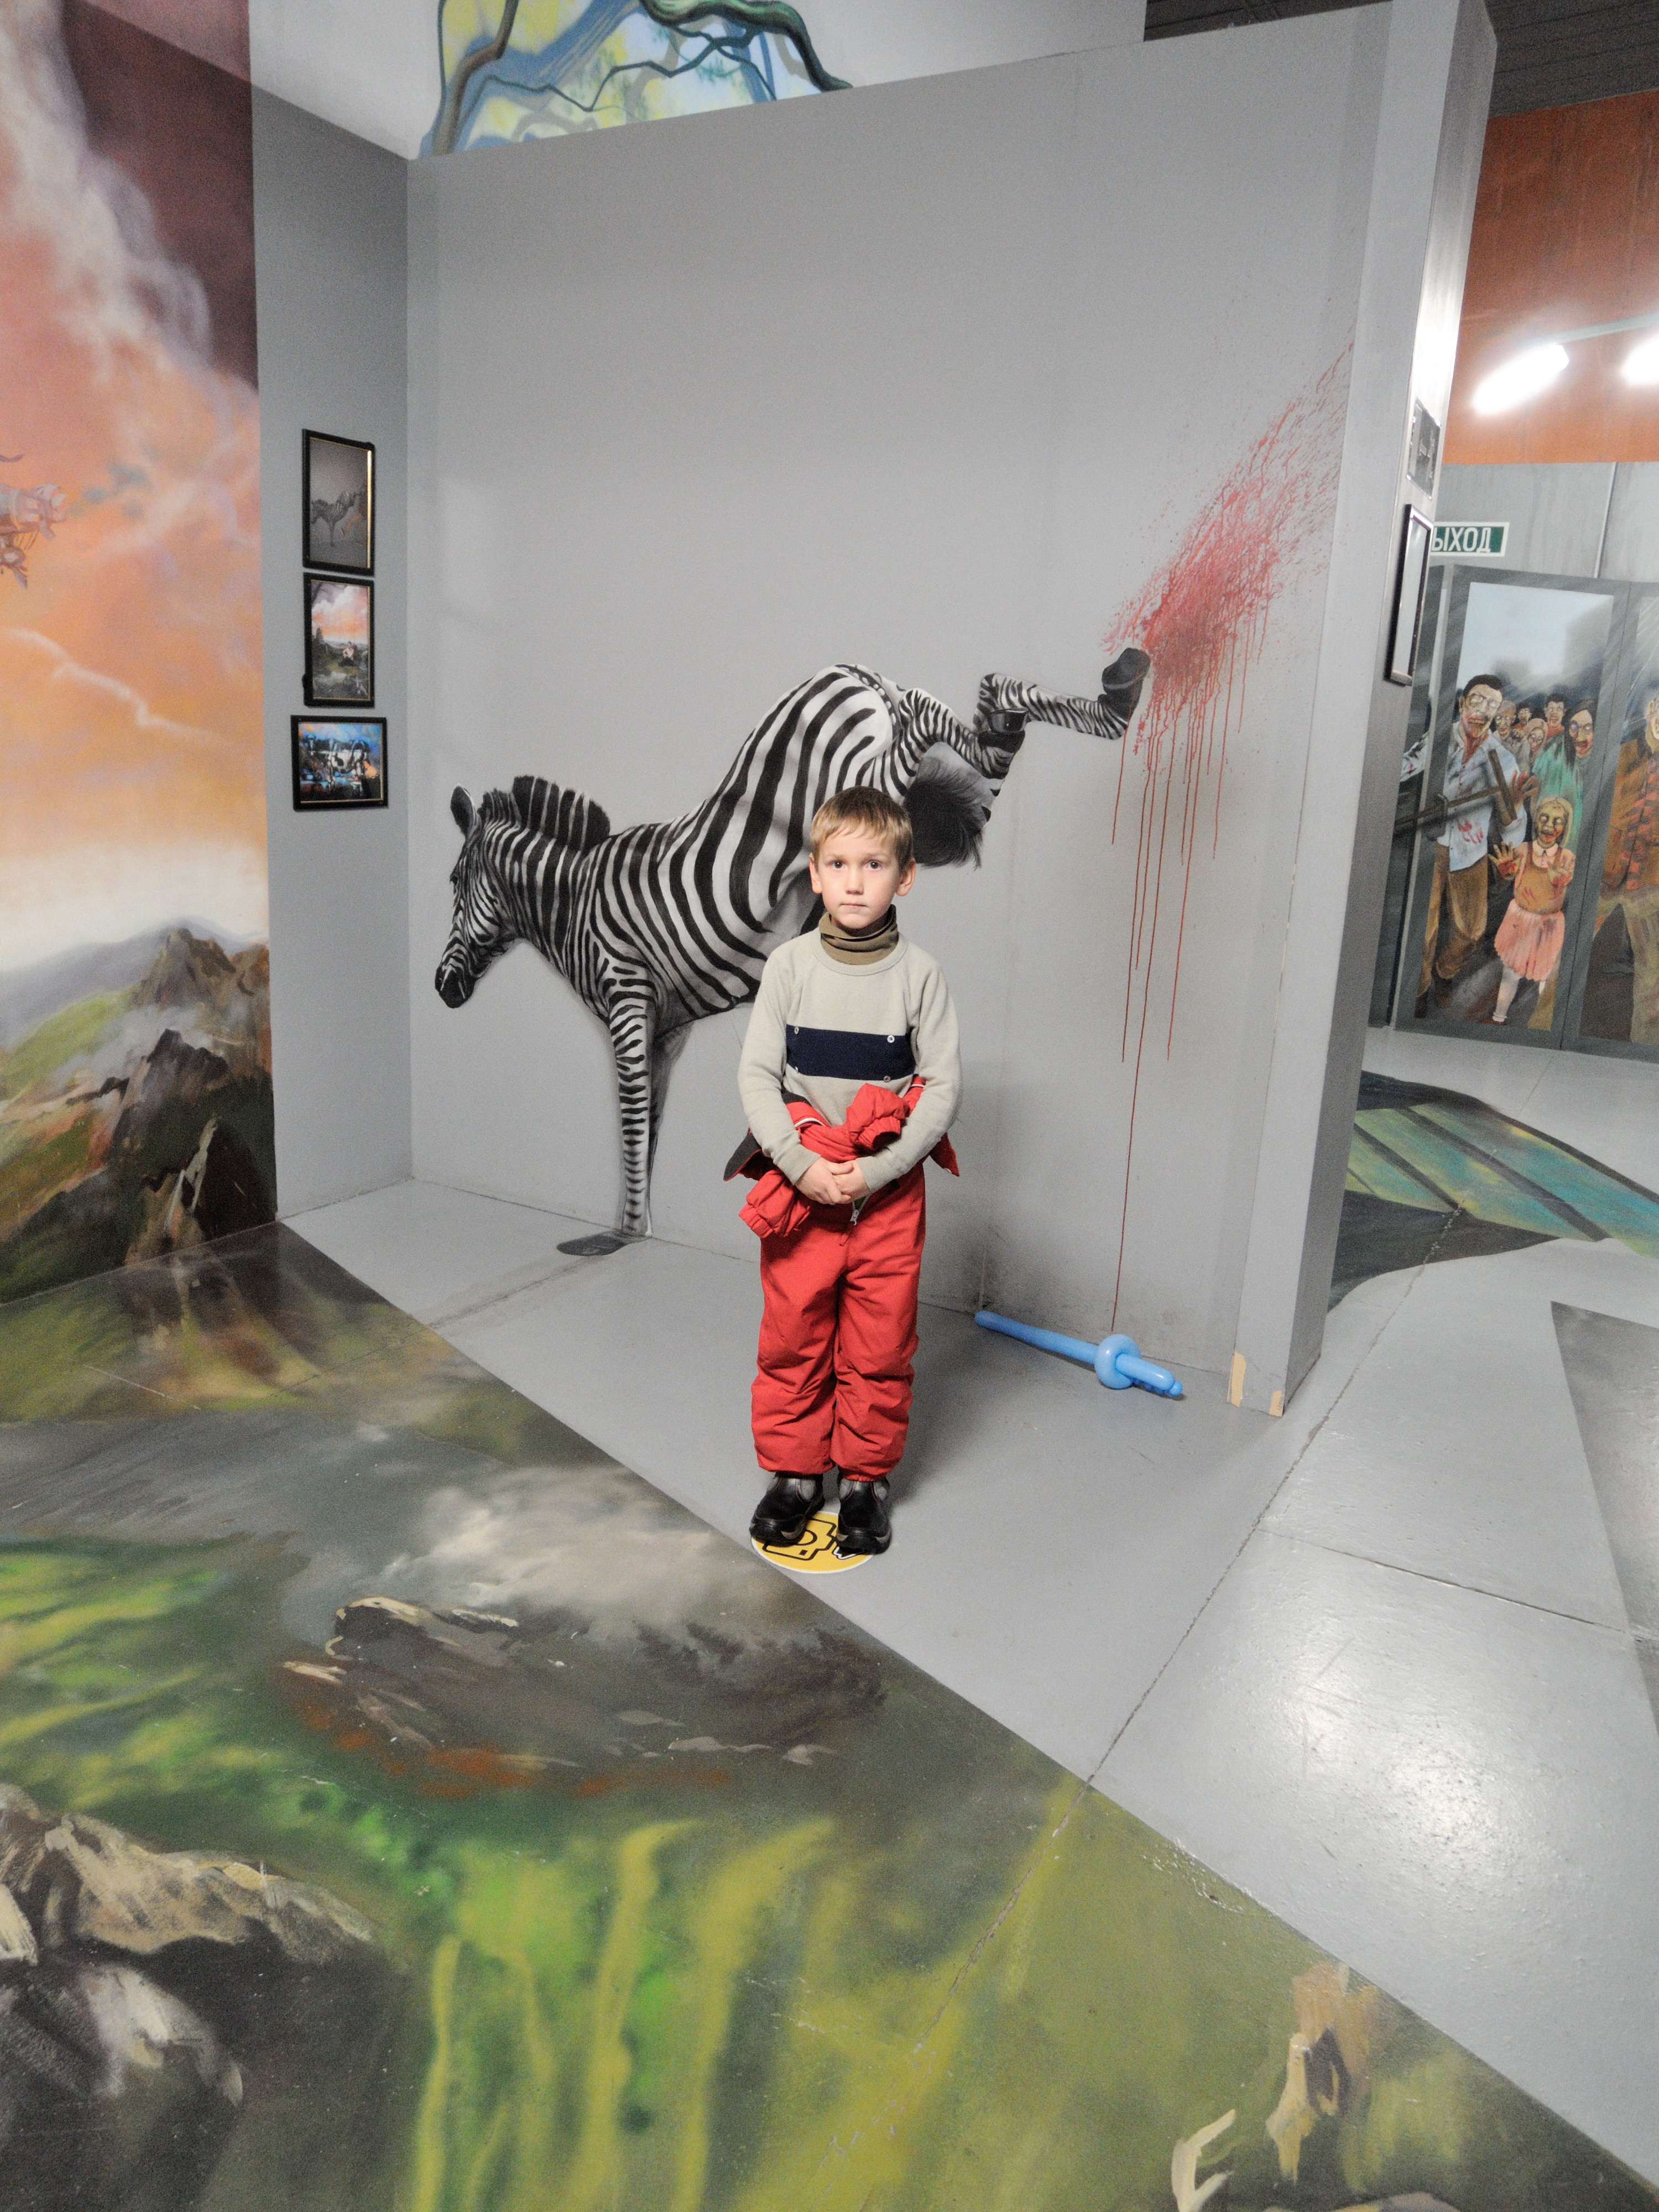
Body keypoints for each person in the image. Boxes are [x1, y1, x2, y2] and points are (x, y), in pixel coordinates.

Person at [735, 787, 961, 1558]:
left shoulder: (920, 976)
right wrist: (800, 1165)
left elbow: (941, 1087)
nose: (855, 882)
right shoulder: (789, 967)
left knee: (879, 1342)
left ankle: (865, 1479)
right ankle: (797, 1474)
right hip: (803, 1191)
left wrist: (881, 1170)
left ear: (906, 876)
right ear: (815, 873)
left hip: (885, 1199)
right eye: (838, 864)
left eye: (874, 865)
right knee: (794, 1337)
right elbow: (758, 1076)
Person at [1418, 672, 1526, 1008]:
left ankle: (1445, 972)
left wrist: (1512, 846)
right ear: (1463, 701)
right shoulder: (1438, 741)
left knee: (1471, 931)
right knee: (1425, 929)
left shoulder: (1502, 758)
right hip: (1432, 846)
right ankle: (1419, 990)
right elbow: (1407, 766)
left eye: (1492, 705)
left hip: (1471, 852)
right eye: (1477, 700)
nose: (1483, 710)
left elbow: (1514, 817)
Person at [1596, 685, 1659, 1045]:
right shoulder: (1624, 755)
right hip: (1606, 872)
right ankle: (1540, 1031)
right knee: (1562, 959)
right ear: (1650, 712)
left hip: (1651, 881)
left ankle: (1641, 1050)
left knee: (1652, 975)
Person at [1490, 795, 1574, 1024]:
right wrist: (1506, 872)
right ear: (1536, 821)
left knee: (1546, 976)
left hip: (1548, 926)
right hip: (1519, 922)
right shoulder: (1523, 849)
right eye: (1545, 818)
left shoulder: (1566, 857)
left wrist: (1560, 880)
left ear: (1565, 827)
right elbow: (1509, 875)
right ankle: (1499, 1017)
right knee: (1511, 972)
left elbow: (1565, 880)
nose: (1549, 826)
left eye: (1557, 821)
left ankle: (1544, 1024)